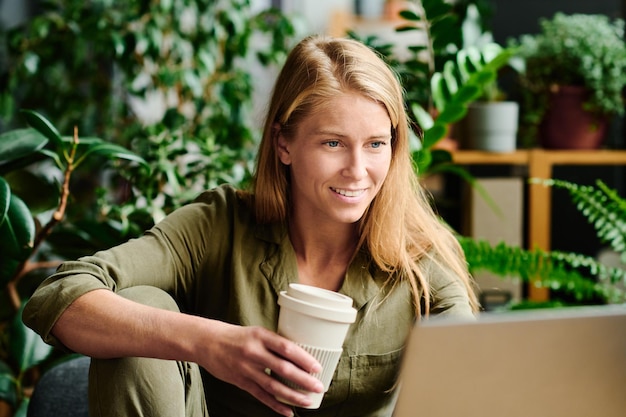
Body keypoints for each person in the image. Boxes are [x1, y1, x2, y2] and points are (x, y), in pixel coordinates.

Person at [23, 34, 479, 417]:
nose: (358, 170)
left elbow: (477, 373)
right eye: (333, 143)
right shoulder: (220, 226)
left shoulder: (418, 258)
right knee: (141, 306)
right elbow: (57, 296)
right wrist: (211, 343)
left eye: (377, 144)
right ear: (284, 144)